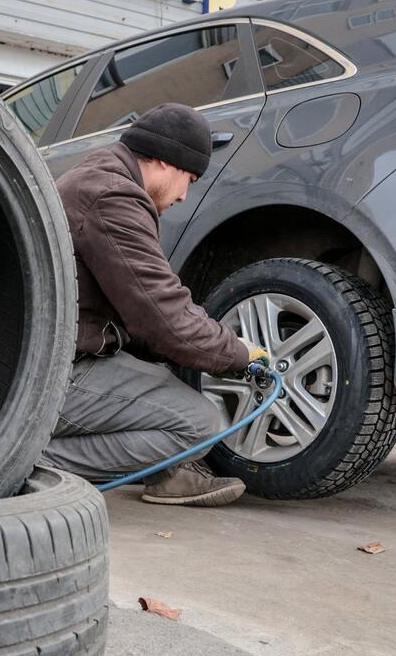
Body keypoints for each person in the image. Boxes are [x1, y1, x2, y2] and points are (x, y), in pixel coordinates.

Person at [40, 103, 269, 507]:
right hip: (54, 376)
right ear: (165, 161)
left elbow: (151, 308)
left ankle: (167, 473)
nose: (184, 195)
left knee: (163, 372)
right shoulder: (111, 196)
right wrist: (236, 351)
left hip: (54, 360)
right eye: (189, 179)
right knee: (199, 424)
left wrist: (199, 341)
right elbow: (163, 319)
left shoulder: (97, 180)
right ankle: (28, 462)